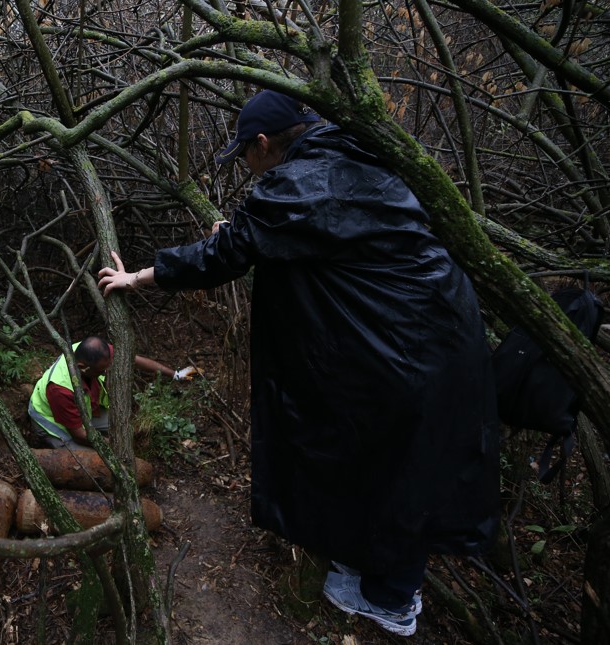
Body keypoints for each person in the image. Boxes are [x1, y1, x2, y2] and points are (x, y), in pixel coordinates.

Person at [97, 89, 499, 637]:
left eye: (245, 155)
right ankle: (377, 577)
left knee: (392, 461)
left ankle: (391, 599)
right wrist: (248, 236)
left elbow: (225, 256)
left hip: (407, 347)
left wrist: (137, 277)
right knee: (397, 458)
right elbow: (315, 243)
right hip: (436, 327)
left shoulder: (298, 184)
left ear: (263, 145)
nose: (247, 166)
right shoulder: (357, 152)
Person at [28, 336, 199, 449]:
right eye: (102, 370)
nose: (107, 371)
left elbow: (133, 360)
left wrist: (175, 374)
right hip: (54, 424)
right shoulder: (60, 389)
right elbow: (79, 434)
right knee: (96, 463)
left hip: (85, 409)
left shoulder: (93, 352)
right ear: (82, 368)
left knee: (125, 427)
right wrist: (115, 445)